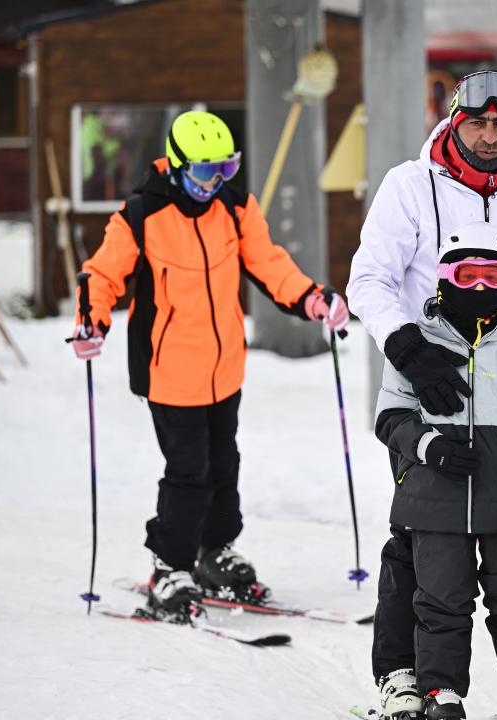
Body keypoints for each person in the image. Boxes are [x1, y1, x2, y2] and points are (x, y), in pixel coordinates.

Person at [348, 70, 497, 720]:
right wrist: (407, 348)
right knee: (420, 540)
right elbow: (368, 278)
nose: (489, 136)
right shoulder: (410, 187)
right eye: (477, 123)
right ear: (455, 122)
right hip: (430, 396)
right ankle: (408, 679)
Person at [69, 110, 349, 618]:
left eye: (225, 168)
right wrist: (91, 323)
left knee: (224, 465)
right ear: (176, 167)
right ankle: (169, 565)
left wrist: (312, 298)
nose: (214, 182)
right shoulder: (141, 215)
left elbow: (269, 264)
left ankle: (214, 550)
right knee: (188, 473)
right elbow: (102, 274)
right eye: (204, 172)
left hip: (224, 370)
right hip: (168, 371)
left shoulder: (235, 207)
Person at [375, 221, 497, 720]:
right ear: (443, 281)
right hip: (433, 499)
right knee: (440, 599)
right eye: (466, 276)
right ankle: (441, 692)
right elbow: (390, 416)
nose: (479, 287)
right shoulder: (416, 347)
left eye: (491, 275)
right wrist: (428, 444)